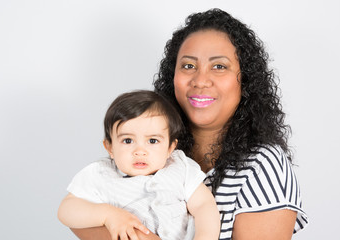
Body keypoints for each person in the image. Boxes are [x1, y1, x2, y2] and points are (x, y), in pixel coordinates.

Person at [71, 8, 309, 240]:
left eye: (219, 66)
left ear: (245, 82)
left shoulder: (262, 165)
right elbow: (80, 217)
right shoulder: (149, 149)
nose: (200, 80)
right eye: (188, 65)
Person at [58, 90, 220, 240]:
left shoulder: (180, 168)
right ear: (110, 147)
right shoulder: (101, 174)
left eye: (152, 141)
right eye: (128, 140)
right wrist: (107, 215)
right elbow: (66, 209)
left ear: (170, 148)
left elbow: (203, 205)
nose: (140, 151)